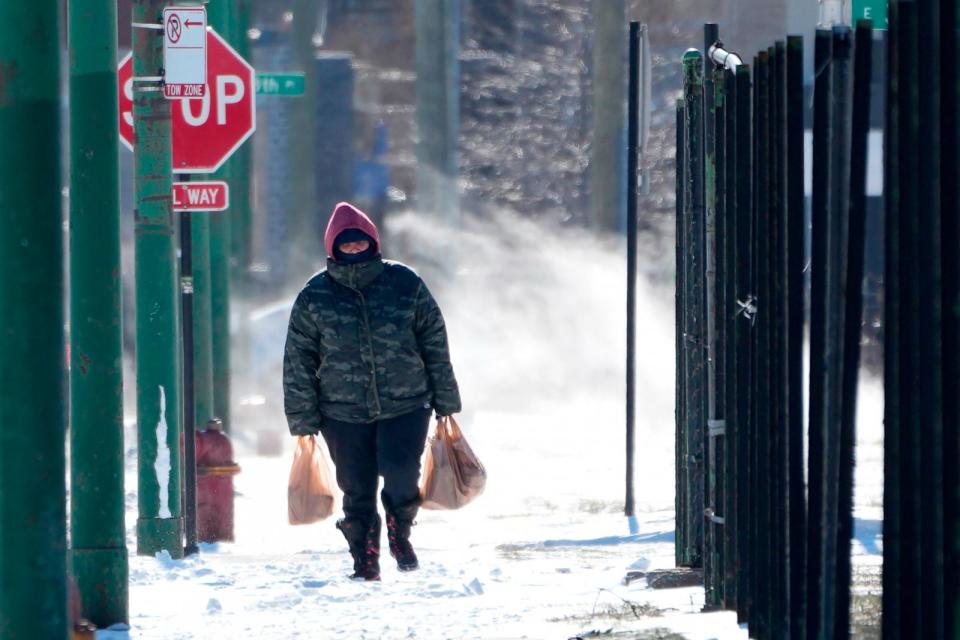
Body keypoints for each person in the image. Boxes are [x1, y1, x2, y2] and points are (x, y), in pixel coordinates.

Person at [283, 202, 462, 581]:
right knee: (356, 487)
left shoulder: (405, 284)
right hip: (341, 411)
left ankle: (401, 531)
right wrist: (302, 417)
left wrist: (446, 399)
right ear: (333, 247)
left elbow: (434, 341)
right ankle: (364, 559)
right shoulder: (314, 296)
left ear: (373, 242)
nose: (352, 249)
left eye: (358, 242)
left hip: (407, 403)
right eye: (345, 244)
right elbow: (298, 359)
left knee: (401, 473)